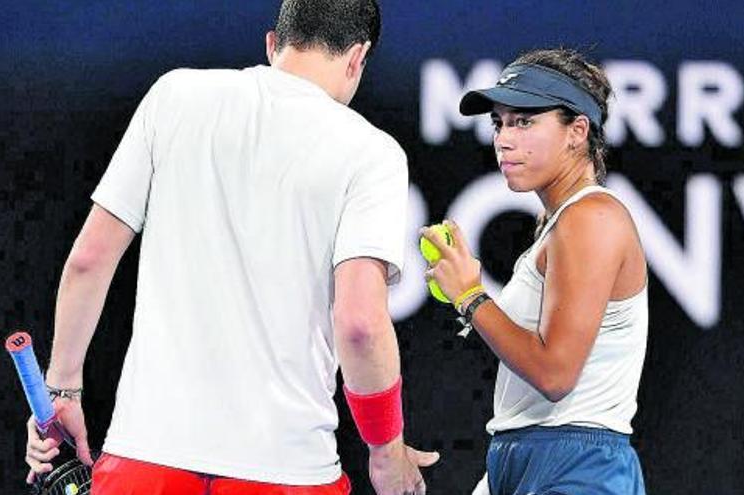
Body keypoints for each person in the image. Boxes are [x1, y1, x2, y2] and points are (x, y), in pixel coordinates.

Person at [23, 1, 439, 493]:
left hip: (145, 459)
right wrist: (386, 450)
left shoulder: (173, 96)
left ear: (272, 44)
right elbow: (361, 324)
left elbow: (90, 260)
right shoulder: (371, 153)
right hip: (285, 470)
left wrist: (63, 389)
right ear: (357, 58)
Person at [422, 48, 648, 494]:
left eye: (524, 121)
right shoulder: (562, 221)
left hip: (580, 467)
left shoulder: (591, 218)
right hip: (524, 456)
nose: (504, 139)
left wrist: (470, 296)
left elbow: (555, 374)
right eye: (499, 123)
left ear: (577, 132)